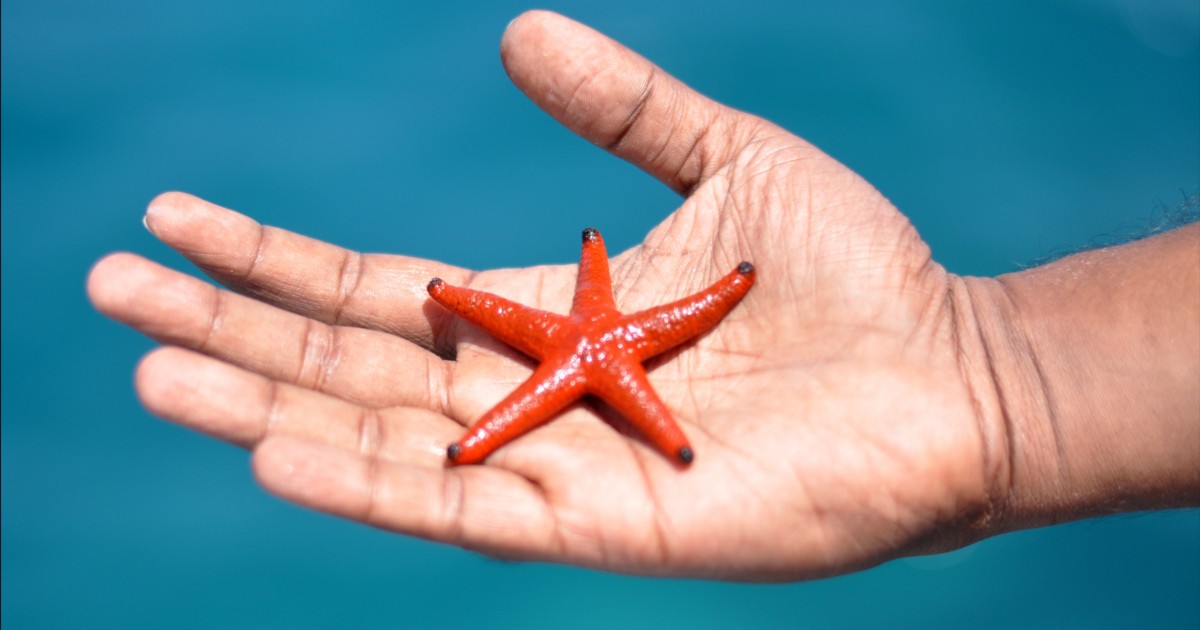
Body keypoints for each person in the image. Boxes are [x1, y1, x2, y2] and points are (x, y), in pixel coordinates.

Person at [87, 11, 1198, 581]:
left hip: (599, 357)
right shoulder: (594, 333)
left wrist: (1000, 379)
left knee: (558, 379)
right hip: (599, 353)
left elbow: (621, 334)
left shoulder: (602, 339)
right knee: (555, 372)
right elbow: (587, 336)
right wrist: (1004, 376)